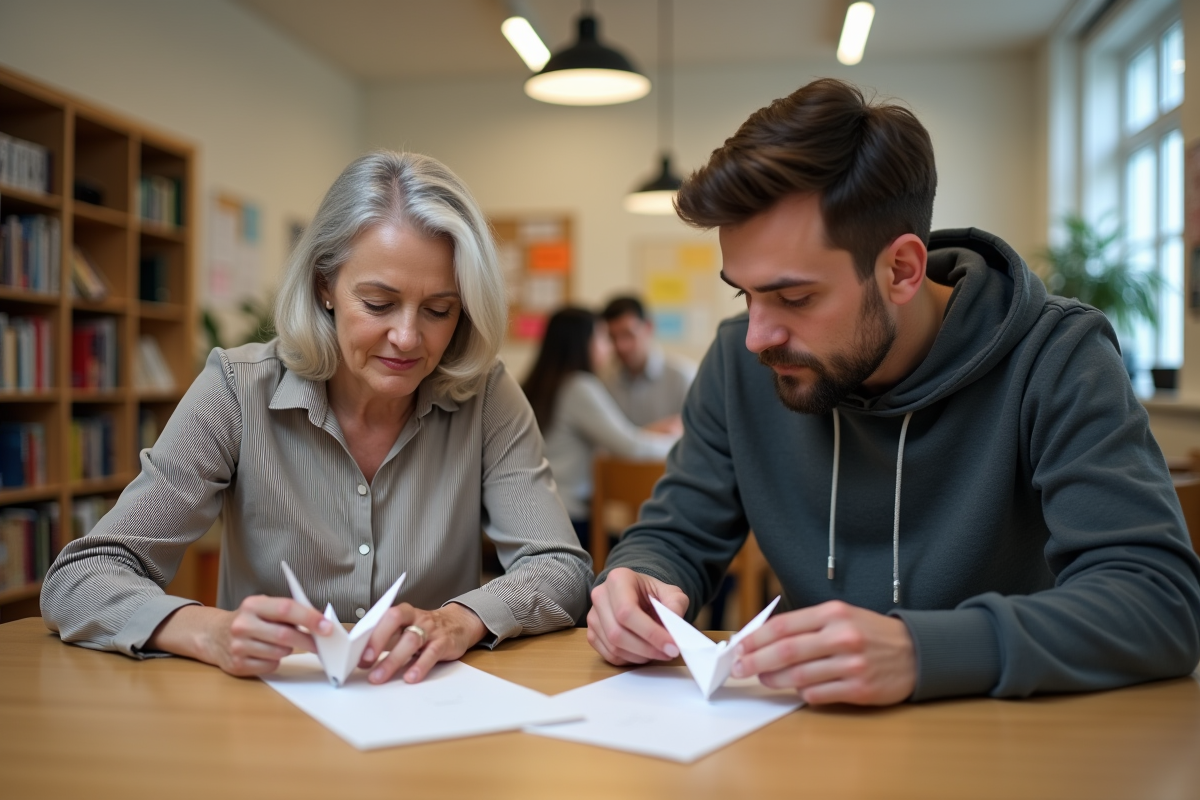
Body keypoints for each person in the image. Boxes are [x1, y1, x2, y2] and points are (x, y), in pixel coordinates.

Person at [587, 78, 1200, 705]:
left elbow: (1157, 600)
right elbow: (675, 533)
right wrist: (640, 581)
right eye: (744, 293)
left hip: (1010, 741)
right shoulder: (739, 363)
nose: (757, 337)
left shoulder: (1057, 357)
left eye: (794, 297)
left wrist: (921, 651)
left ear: (902, 269)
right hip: (814, 743)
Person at [42, 151, 592, 686]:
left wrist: (457, 620)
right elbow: (80, 579)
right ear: (324, 284)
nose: (407, 337)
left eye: (439, 310)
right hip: (262, 717)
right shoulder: (237, 390)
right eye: (378, 304)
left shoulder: (486, 395)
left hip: (426, 707)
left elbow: (560, 569)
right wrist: (209, 631)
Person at [522, 307, 678, 549]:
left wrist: (646, 433)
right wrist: (683, 444)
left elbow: (618, 439)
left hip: (533, 518)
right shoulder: (579, 386)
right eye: (604, 338)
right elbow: (632, 447)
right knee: (652, 550)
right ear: (583, 343)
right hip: (570, 521)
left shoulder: (540, 385)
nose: (611, 347)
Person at [600, 296, 696, 431]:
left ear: (649, 328)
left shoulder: (682, 376)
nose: (620, 346)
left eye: (628, 334)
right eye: (612, 337)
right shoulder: (604, 381)